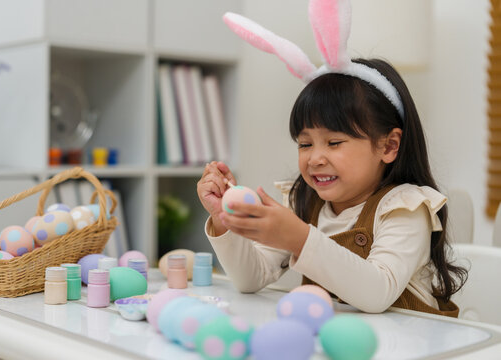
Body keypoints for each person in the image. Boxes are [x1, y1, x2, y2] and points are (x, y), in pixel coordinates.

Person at [197, 57, 468, 317]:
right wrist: (223, 221)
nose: (315, 158)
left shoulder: (405, 208)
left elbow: (378, 292)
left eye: (334, 143)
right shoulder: (303, 201)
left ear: (388, 146)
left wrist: (298, 237)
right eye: (305, 144)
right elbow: (250, 279)